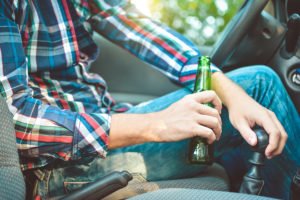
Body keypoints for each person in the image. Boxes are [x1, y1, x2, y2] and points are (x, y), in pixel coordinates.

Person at [0, 0, 299, 199]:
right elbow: (17, 125)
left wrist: (231, 92)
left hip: (102, 122)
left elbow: (149, 36)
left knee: (245, 105)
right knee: (261, 84)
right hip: (55, 167)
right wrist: (154, 124)